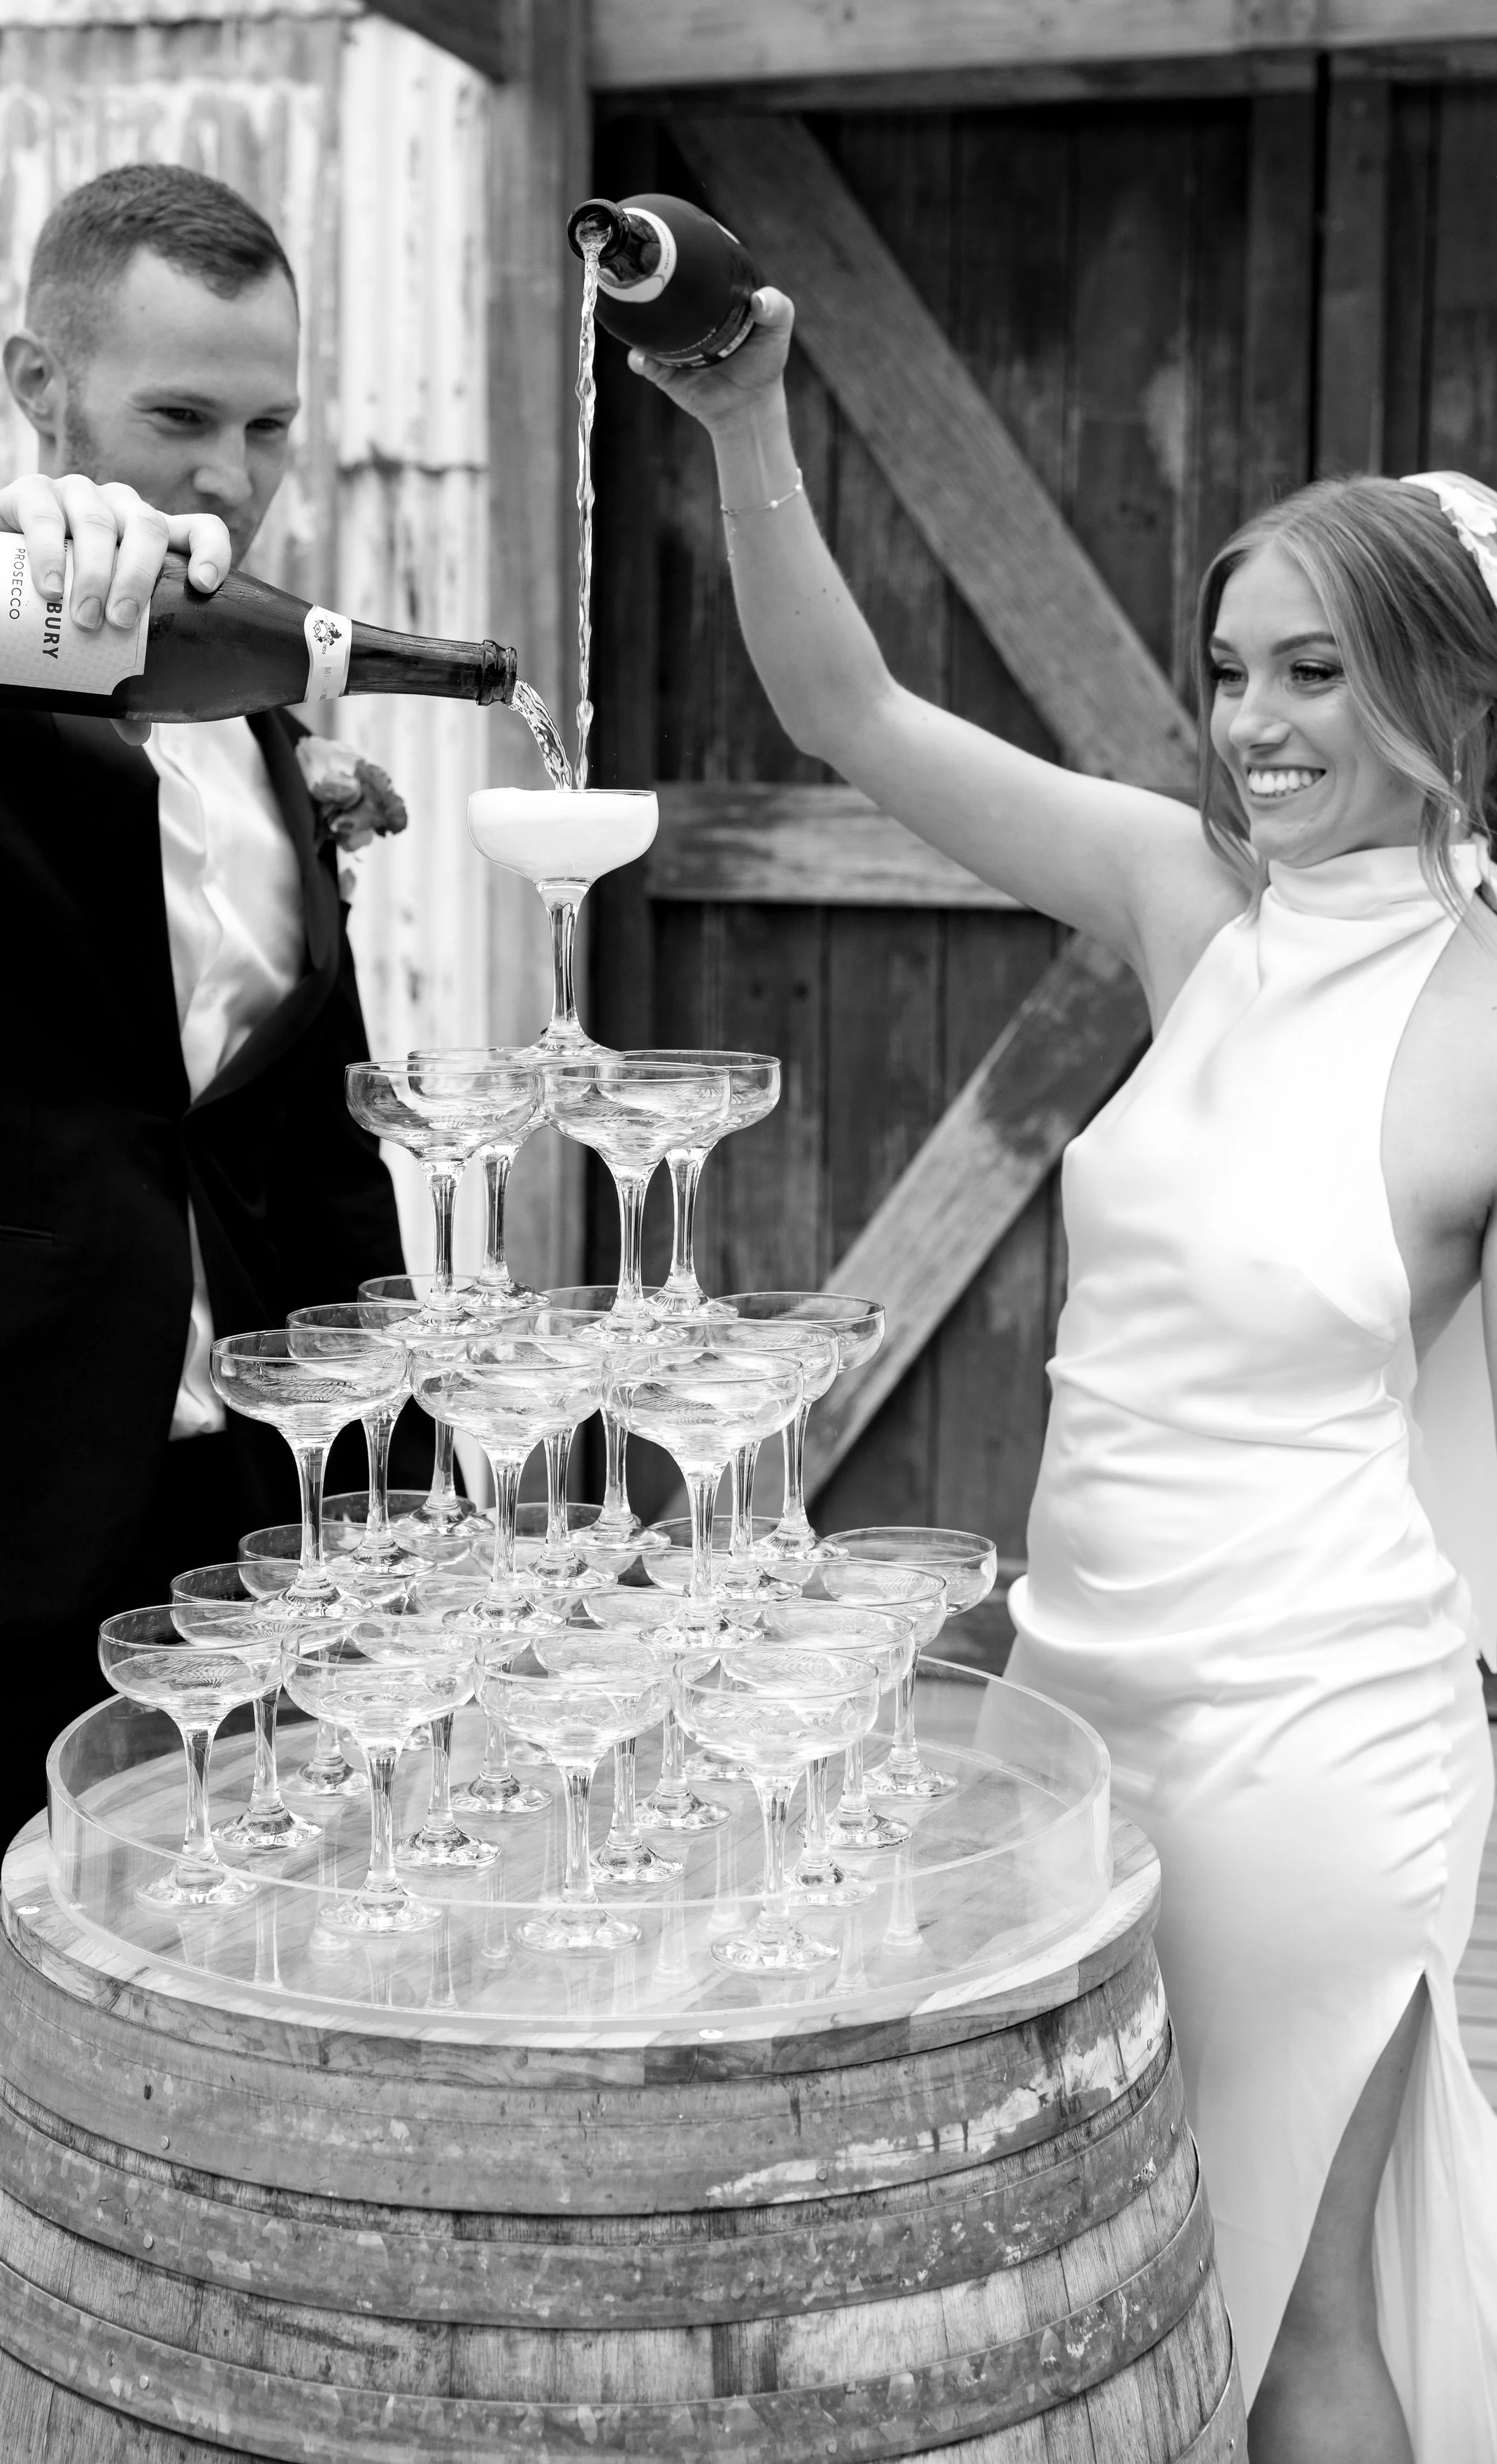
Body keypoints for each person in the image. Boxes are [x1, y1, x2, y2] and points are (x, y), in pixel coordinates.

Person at [635, 288, 1497, 2461]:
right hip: (1070, 1703)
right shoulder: (1177, 893)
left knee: (1295, 2300)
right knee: (1082, 2280)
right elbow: (843, 708)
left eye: (1315, 669)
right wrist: (747, 418)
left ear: (1445, 686)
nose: (1253, 723)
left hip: (1321, 1735)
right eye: (1231, 671)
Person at [0, 163, 425, 2458]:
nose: (229, 482)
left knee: (260, 2066)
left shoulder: (253, 679)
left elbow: (261, 1106)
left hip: (274, 1522)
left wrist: (413, 1473)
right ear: (35, 382)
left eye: (268, 428)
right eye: (174, 424)